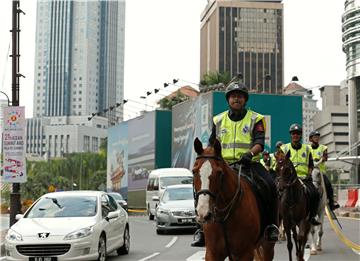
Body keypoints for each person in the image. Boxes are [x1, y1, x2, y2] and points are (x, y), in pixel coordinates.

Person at [191, 81, 279, 247]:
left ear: (245, 100)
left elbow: (259, 143)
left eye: (240, 96)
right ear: (228, 100)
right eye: (233, 96)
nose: (236, 99)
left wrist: (250, 153)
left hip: (248, 165)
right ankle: (201, 229)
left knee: (270, 185)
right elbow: (212, 144)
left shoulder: (256, 118)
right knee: (202, 186)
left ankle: (271, 226)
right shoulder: (218, 120)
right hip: (223, 166)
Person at [280, 124, 321, 226]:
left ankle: (312, 216)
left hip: (304, 179)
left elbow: (311, 164)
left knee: (315, 194)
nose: (295, 135)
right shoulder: (284, 148)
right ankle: (276, 219)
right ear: (291, 135)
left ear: (301, 135)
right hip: (288, 179)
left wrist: (309, 174)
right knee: (275, 193)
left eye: (298, 133)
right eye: (293, 133)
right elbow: (280, 162)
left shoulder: (307, 149)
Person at [309, 130, 340, 211]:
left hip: (320, 172)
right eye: (315, 137)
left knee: (328, 185)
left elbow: (325, 157)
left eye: (318, 137)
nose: (317, 138)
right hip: (310, 170)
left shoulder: (323, 147)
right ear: (311, 139)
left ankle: (332, 203)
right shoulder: (307, 148)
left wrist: (319, 161)